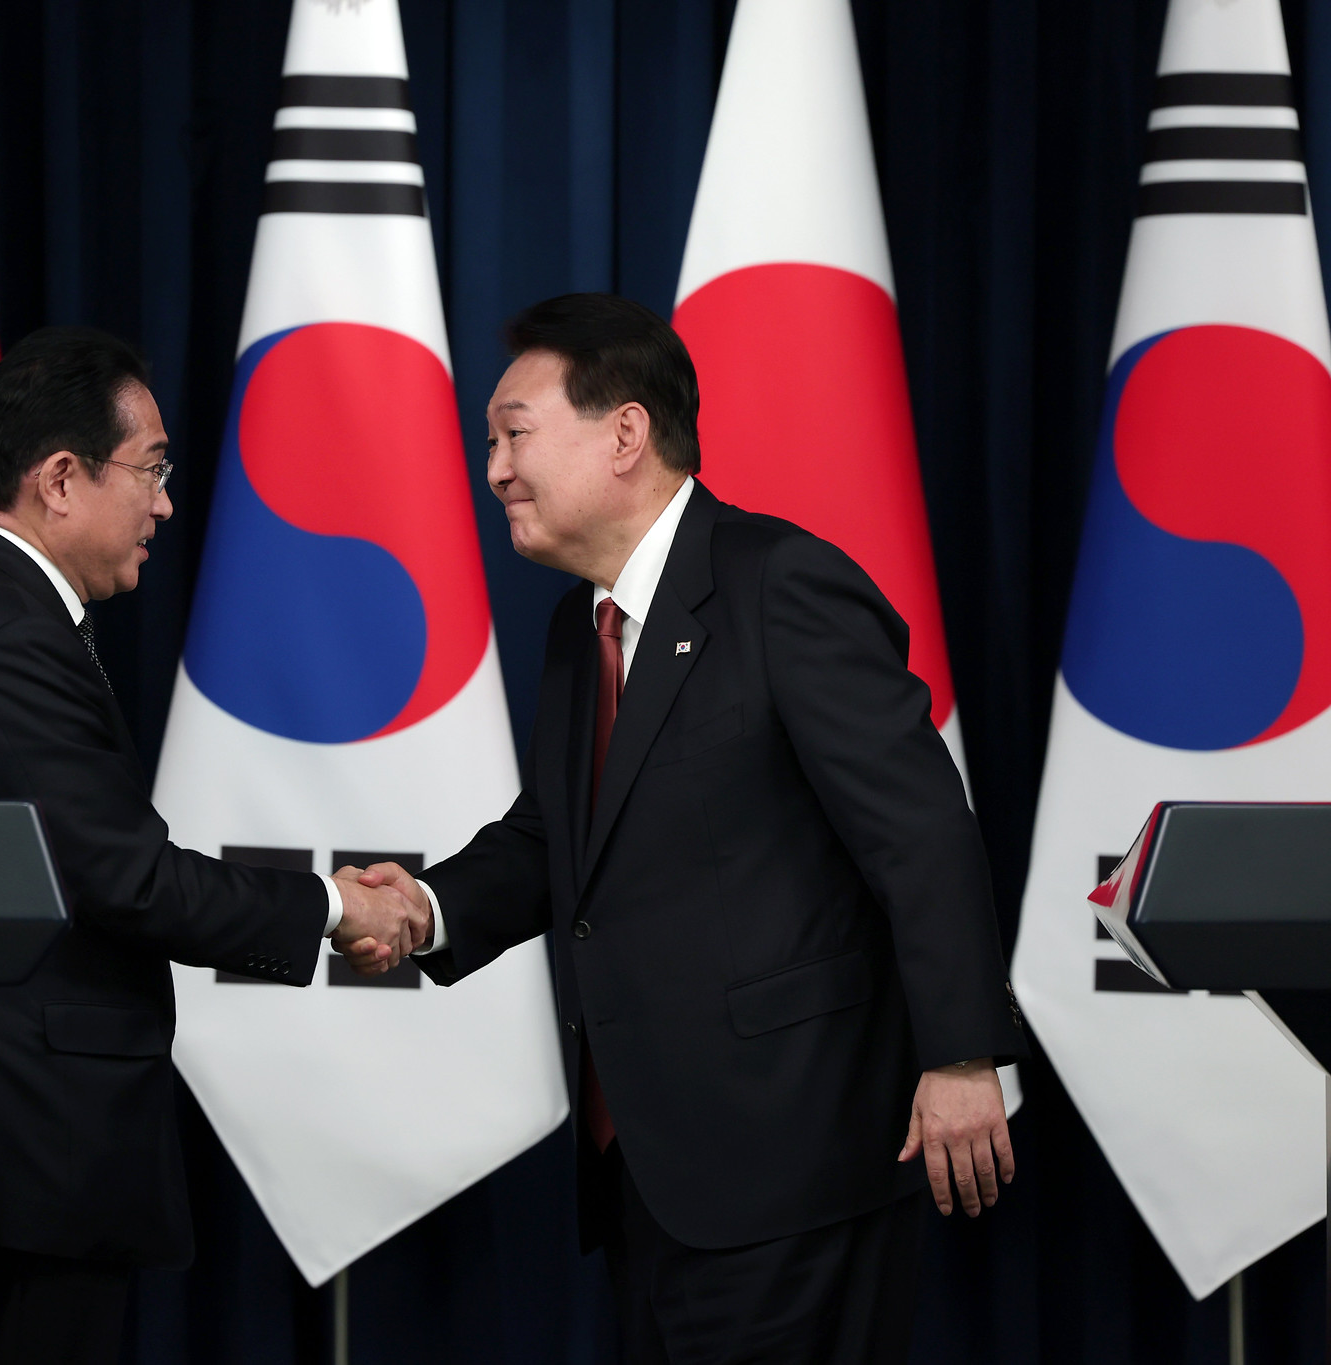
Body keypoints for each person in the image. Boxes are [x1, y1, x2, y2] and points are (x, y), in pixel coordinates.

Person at [344, 293, 1027, 1363]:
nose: (494, 473)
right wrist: (423, 908)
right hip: (651, 1180)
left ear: (624, 432)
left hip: (792, 1165)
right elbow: (554, 837)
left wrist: (960, 1055)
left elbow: (919, 829)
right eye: (490, 445)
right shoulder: (584, 627)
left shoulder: (777, 585)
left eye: (513, 434)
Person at [0, 325, 414, 1365]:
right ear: (60, 479)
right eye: (150, 469)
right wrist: (337, 909)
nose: (163, 502)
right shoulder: (16, 639)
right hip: (30, 1140)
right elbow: (123, 879)